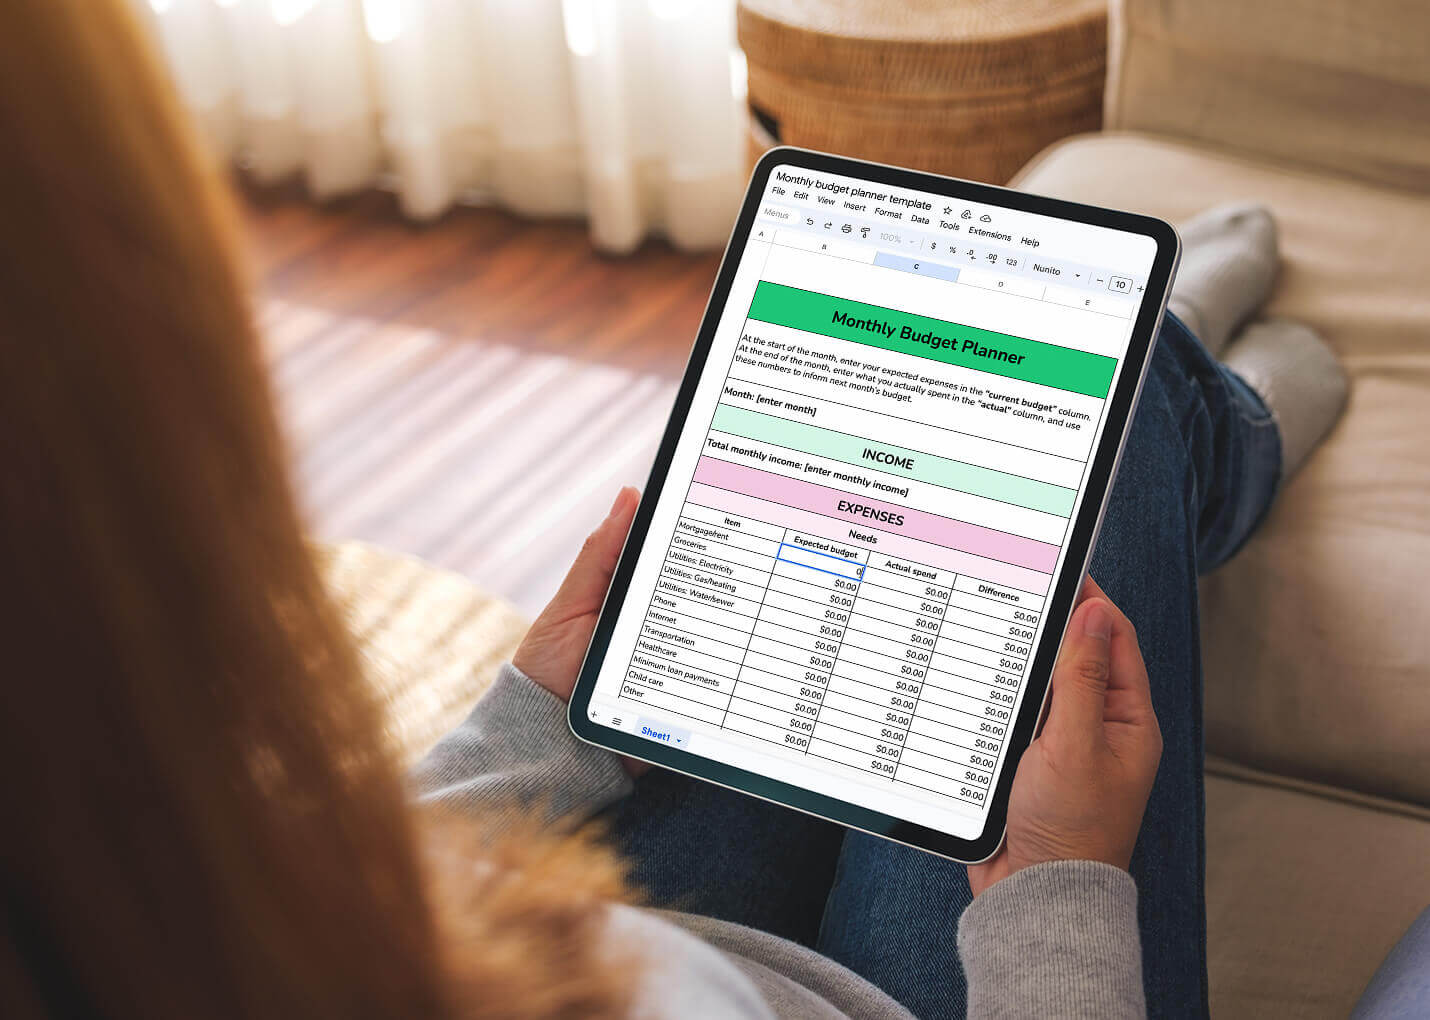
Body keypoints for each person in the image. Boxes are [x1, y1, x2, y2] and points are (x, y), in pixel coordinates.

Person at [0, 2, 1346, 1019]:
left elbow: (356, 904)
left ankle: (1173, 382)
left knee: (826, 480)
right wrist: (1056, 885)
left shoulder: (127, 892)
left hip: (607, 951)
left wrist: (528, 716)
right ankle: (1199, 411)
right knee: (1089, 452)